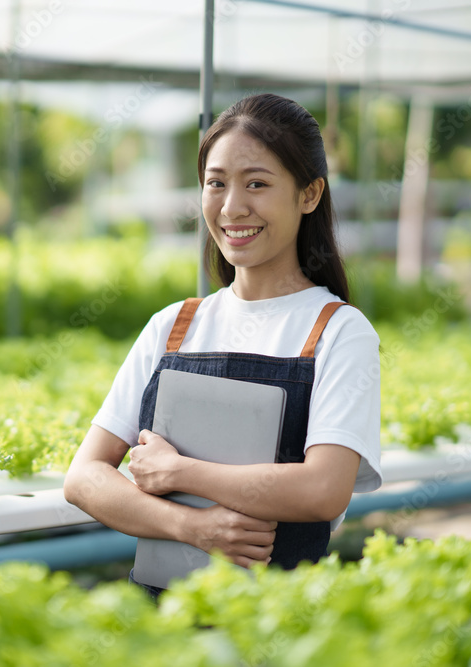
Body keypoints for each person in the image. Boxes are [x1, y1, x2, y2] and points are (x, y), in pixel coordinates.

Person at [63, 93, 382, 598]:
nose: (233, 207)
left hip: (279, 621)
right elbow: (83, 479)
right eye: (216, 184)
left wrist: (180, 471)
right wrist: (191, 528)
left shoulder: (339, 331)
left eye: (257, 183)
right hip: (160, 617)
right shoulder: (174, 326)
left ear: (309, 194)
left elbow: (323, 489)